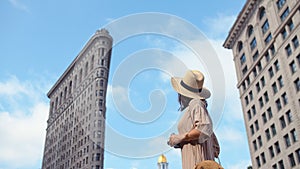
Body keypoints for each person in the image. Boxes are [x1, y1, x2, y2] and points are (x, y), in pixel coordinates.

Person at [167, 70, 220, 169]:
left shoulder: (195, 103)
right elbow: (215, 148)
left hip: (197, 162)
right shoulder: (198, 107)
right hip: (197, 159)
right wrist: (180, 141)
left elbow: (202, 129)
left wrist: (180, 137)